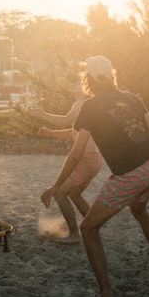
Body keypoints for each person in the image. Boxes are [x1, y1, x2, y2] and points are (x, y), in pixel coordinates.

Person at [41, 56, 149, 297]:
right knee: (140, 211)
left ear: (89, 79)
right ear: (112, 75)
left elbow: (76, 153)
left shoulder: (90, 108)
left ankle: (106, 296)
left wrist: (56, 185)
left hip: (130, 174)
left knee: (89, 229)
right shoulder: (132, 98)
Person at [29, 85, 104, 244]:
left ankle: (75, 234)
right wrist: (50, 133)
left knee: (60, 193)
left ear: (85, 88)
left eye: (79, 84)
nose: (74, 87)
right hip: (95, 159)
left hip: (86, 159)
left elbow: (64, 121)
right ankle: (93, 227)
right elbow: (73, 134)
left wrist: (41, 114)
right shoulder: (91, 106)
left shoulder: (81, 105)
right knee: (74, 194)